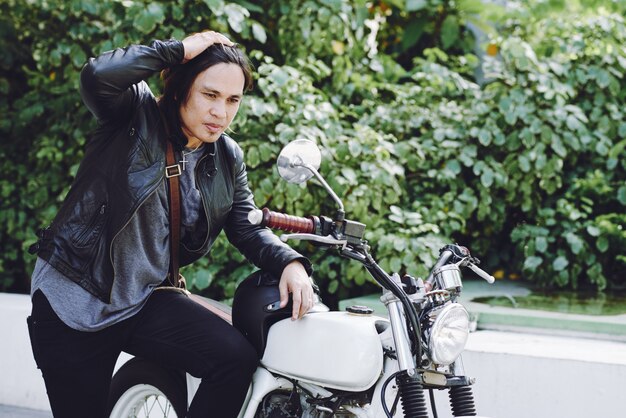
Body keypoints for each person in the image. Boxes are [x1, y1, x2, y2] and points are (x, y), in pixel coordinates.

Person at [26, 30, 315, 418]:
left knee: (233, 358)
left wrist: (290, 262)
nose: (221, 113)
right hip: (76, 298)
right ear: (181, 89)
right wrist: (179, 50)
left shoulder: (227, 156)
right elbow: (97, 75)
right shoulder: (132, 114)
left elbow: (245, 226)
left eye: (233, 100)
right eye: (210, 95)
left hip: (143, 299)